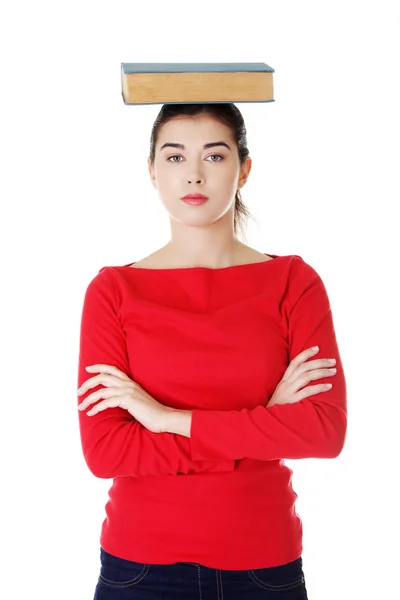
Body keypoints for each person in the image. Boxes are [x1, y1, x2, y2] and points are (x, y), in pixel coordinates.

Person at [76, 102, 347, 599]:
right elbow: (106, 450)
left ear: (244, 170)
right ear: (152, 171)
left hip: (264, 563)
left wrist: (167, 419)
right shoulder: (113, 291)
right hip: (141, 566)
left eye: (215, 156)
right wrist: (264, 420)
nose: (194, 175)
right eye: (175, 157)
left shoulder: (293, 283)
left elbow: (323, 432)